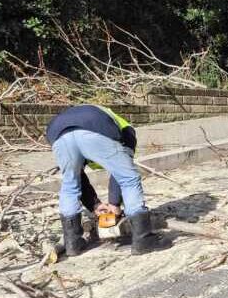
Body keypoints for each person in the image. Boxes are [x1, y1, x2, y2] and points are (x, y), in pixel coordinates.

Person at [46, 105, 167, 256]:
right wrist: (114, 204)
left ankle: (73, 243)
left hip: (58, 133)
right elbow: (122, 174)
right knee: (129, 178)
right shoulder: (127, 130)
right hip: (94, 127)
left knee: (70, 183)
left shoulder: (77, 117)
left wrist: (95, 205)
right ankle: (143, 239)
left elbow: (79, 178)